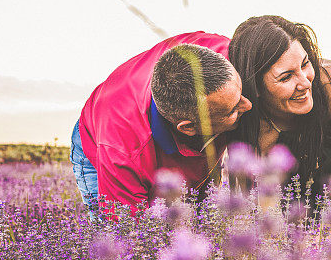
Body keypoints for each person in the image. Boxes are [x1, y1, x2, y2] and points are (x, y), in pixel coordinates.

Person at [228, 15, 331, 214]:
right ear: (255, 87)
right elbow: (244, 206)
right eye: (286, 77)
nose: (305, 82)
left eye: (305, 63)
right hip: (292, 211)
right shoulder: (240, 114)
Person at [71, 32, 251, 214]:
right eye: (232, 110)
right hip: (102, 139)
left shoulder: (228, 55)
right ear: (188, 127)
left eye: (241, 93)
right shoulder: (123, 153)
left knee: (202, 215)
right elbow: (125, 235)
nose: (249, 105)